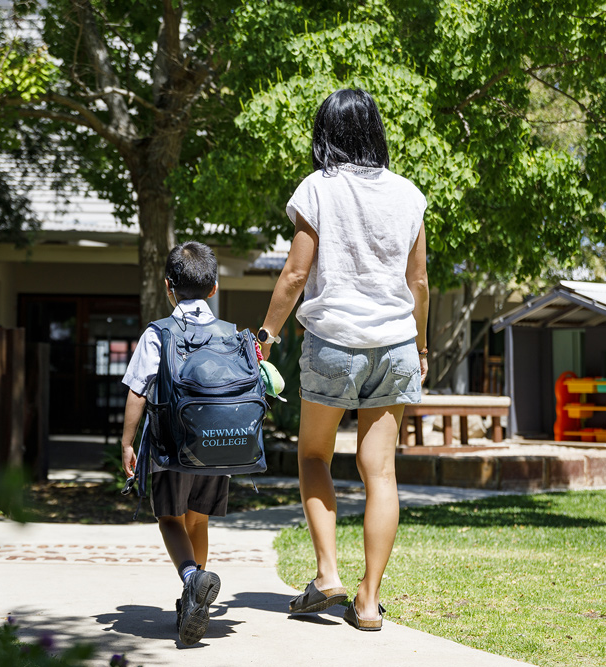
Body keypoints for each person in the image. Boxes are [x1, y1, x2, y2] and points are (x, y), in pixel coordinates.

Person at [256, 88, 429, 631]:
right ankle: (369, 601)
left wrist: (265, 335)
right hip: (396, 343)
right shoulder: (408, 195)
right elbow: (418, 282)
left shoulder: (319, 188)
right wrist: (421, 347)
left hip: (333, 342)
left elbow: (295, 275)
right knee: (380, 472)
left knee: (313, 459)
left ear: (326, 131)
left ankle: (327, 572)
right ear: (375, 130)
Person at [120, 241, 229, 646]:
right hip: (220, 448)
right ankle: (194, 600)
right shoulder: (230, 333)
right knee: (197, 519)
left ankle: (192, 577)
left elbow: (138, 391)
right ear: (214, 288)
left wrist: (127, 442)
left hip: (171, 448)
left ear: (169, 286)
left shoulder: (159, 333)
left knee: (170, 518)